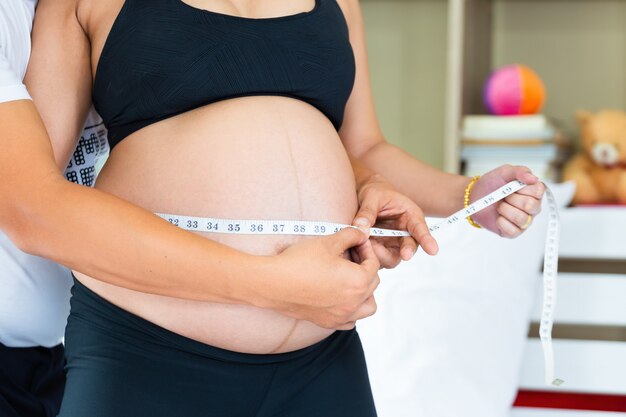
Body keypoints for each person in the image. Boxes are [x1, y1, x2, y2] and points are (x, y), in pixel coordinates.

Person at [12, 1, 543, 416]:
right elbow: (40, 197)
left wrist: (471, 196)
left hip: (320, 356)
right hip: (143, 352)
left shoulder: (339, 3)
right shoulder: (81, 3)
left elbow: (365, 150)